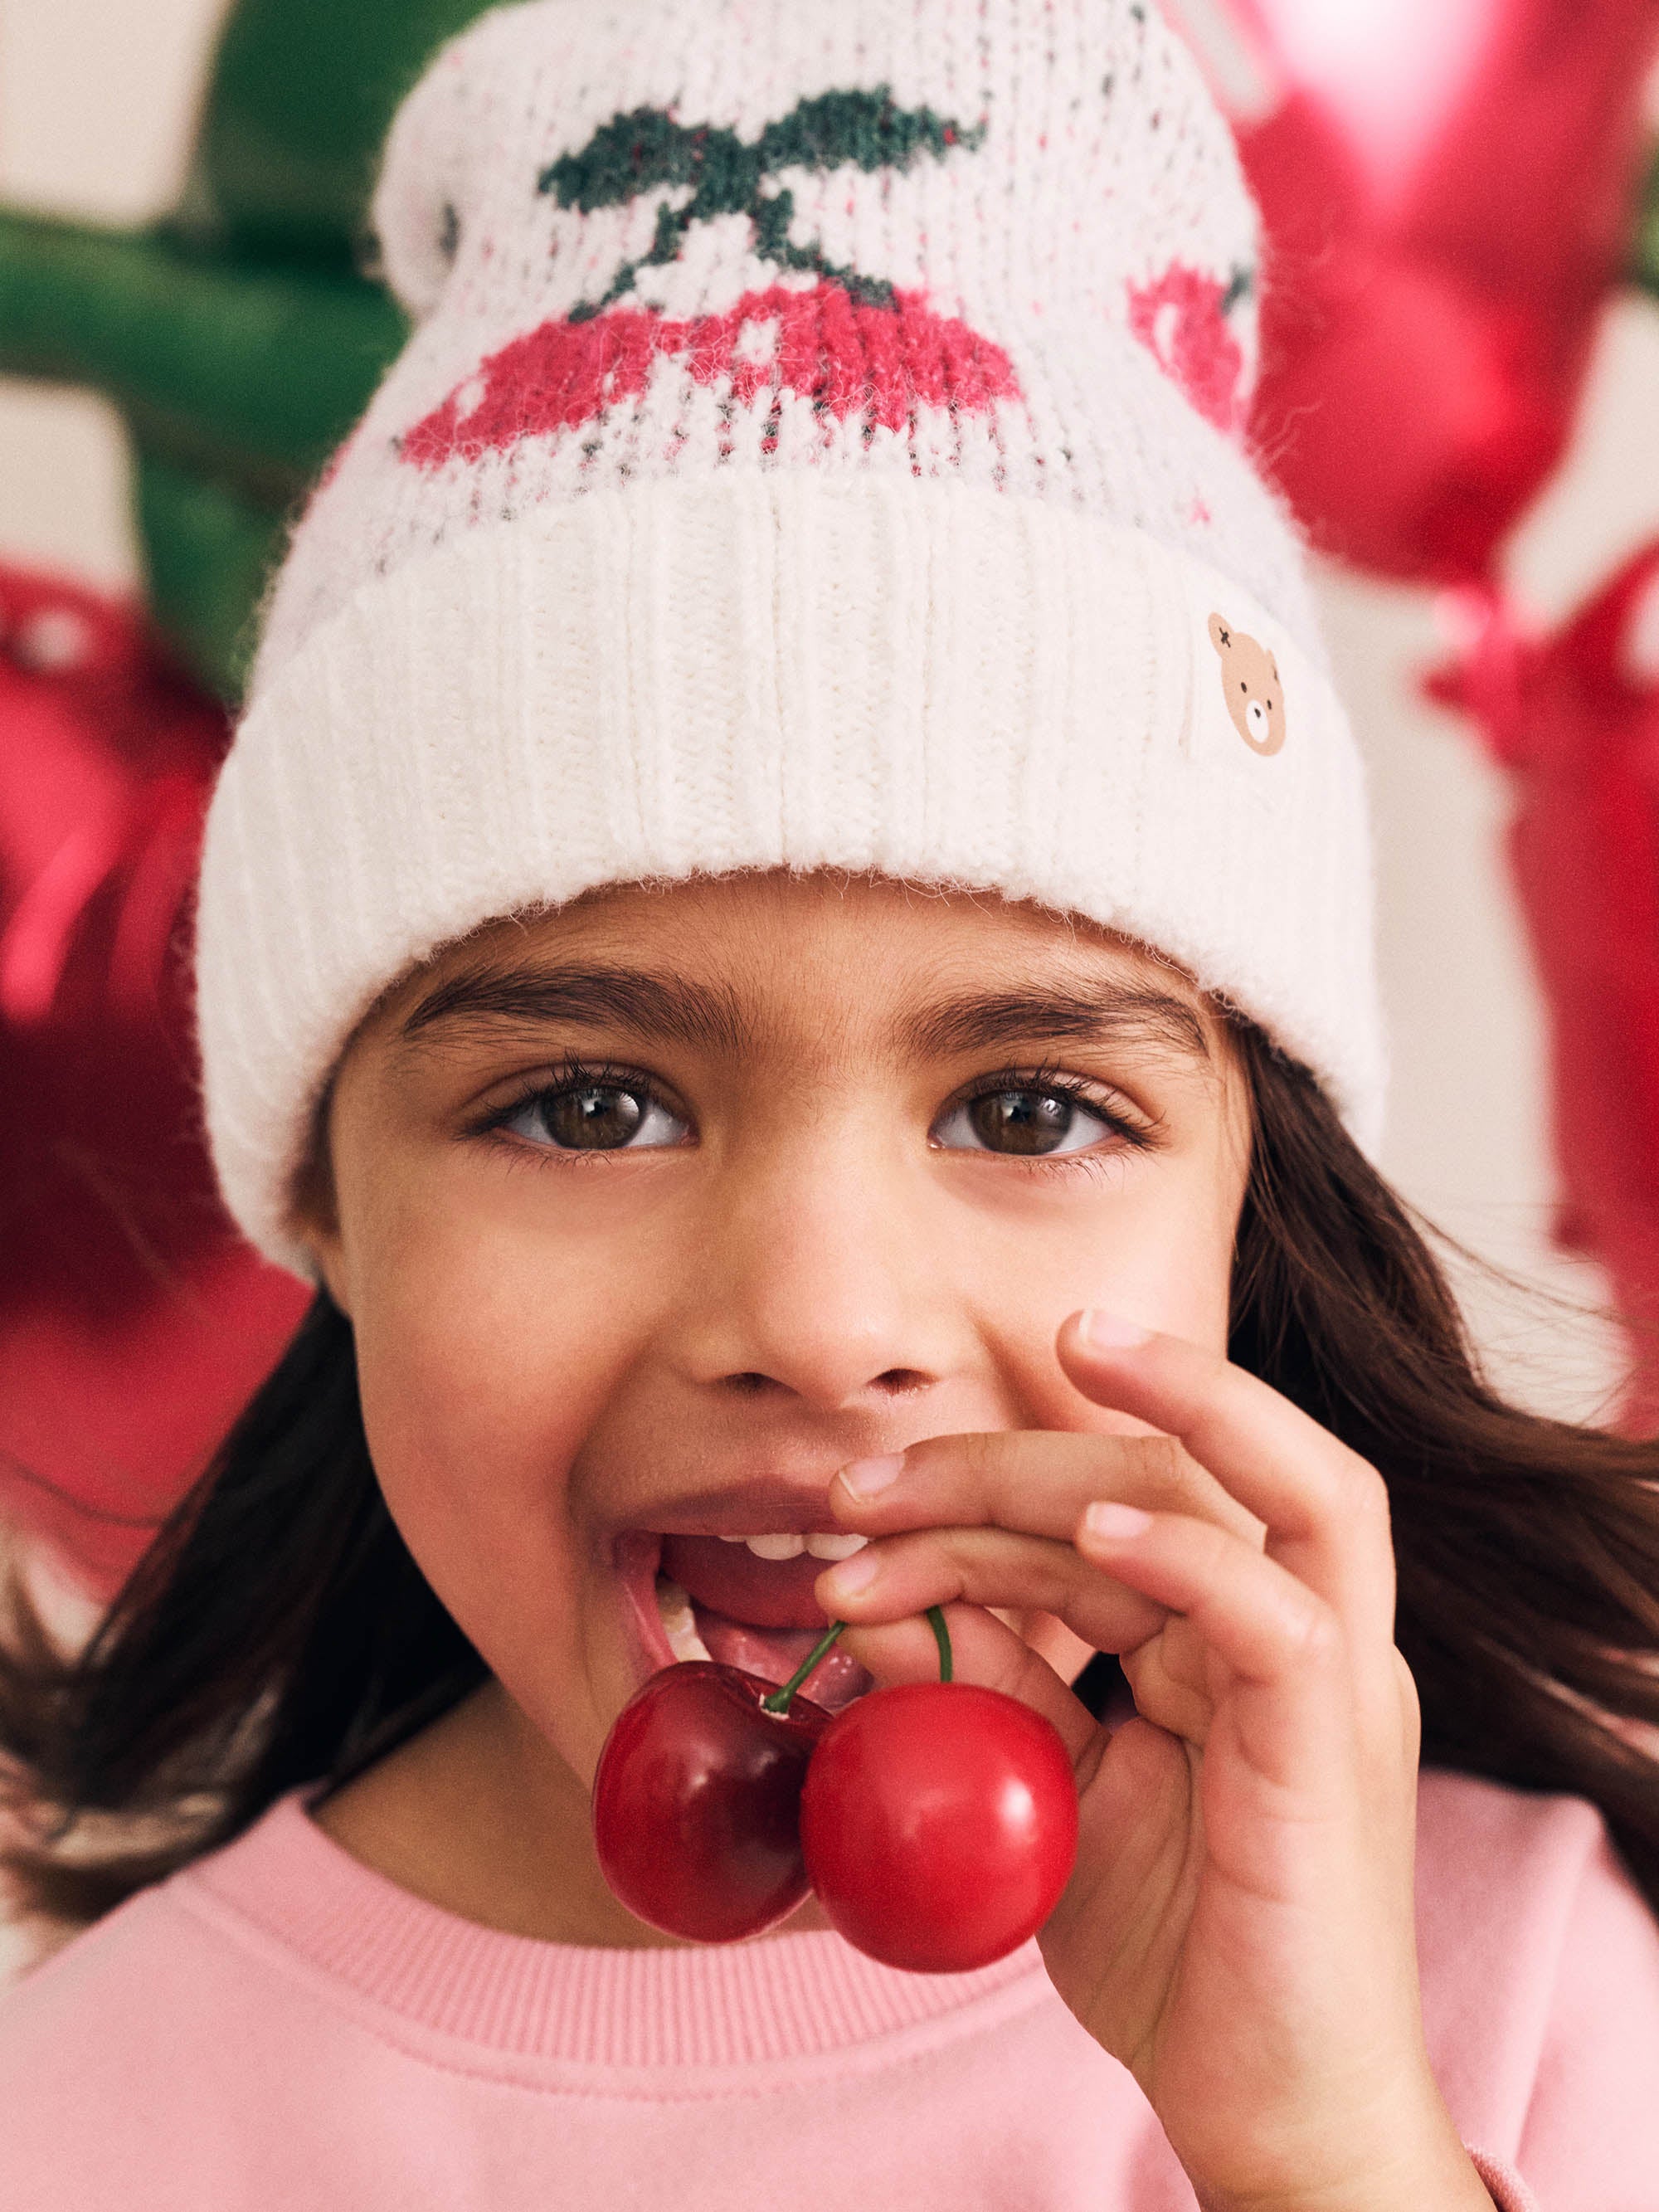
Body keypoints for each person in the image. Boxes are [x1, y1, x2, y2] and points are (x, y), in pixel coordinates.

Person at [2, 1, 1657, 2205]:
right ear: (320, 1182)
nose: (820, 1307)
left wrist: (1321, 2148)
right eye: (589, 1104)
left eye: (1036, 1107)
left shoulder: (1517, 1993)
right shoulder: (83, 2116)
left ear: (1250, 1197)